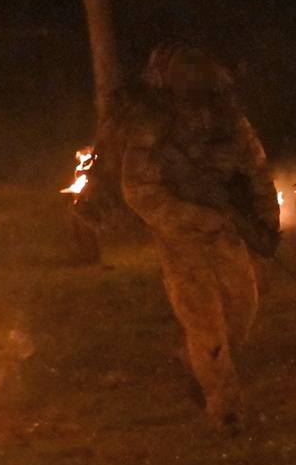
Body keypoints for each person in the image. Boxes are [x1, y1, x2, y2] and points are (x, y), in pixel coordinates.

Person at [108, 44, 280, 429]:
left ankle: (196, 363)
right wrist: (192, 218)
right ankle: (225, 408)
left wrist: (266, 221)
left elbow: (255, 170)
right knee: (205, 323)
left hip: (228, 232)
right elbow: (138, 188)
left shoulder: (229, 120)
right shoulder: (151, 124)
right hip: (180, 237)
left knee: (242, 310)